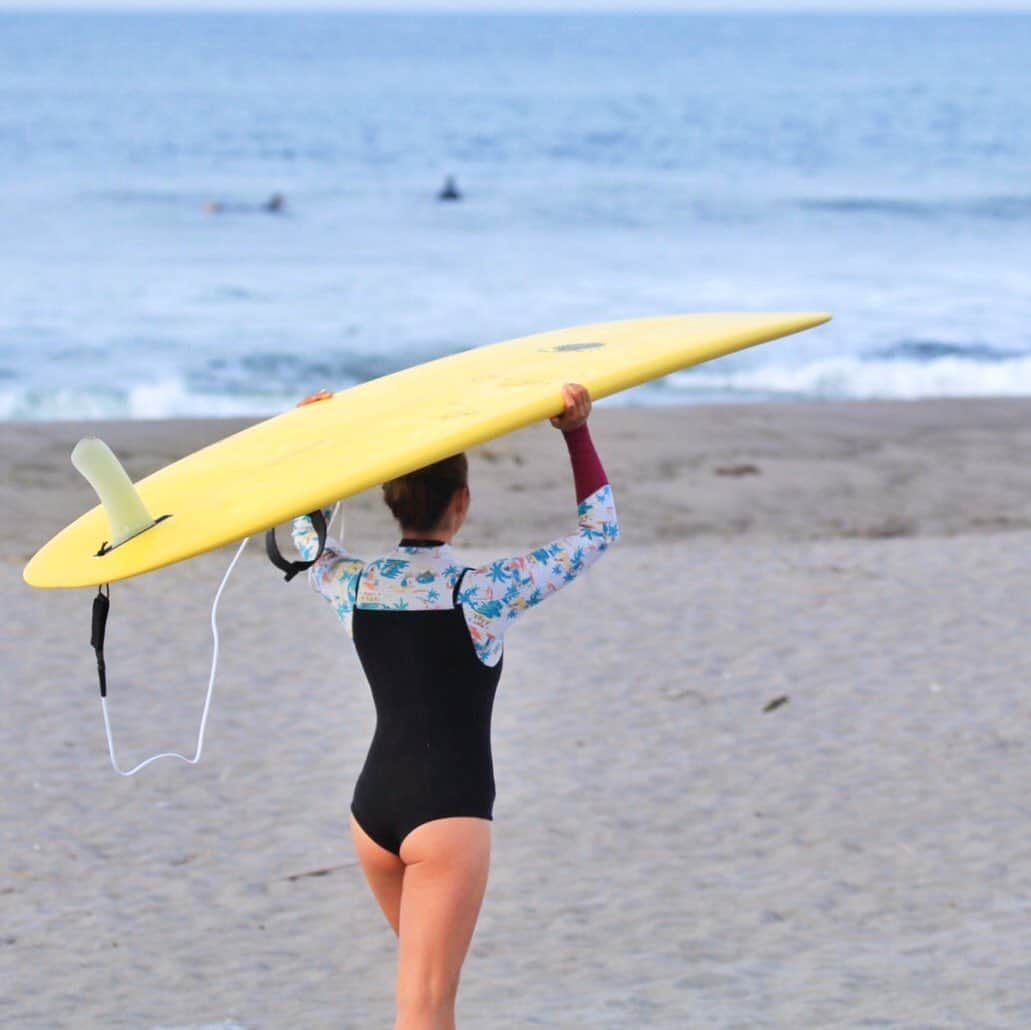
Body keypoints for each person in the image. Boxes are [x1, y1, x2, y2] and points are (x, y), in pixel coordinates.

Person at [291, 383, 619, 1029]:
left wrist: (314, 441)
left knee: (425, 1002)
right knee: (424, 1010)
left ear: (390, 500)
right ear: (461, 503)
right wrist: (574, 431)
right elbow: (598, 530)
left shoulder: (354, 585)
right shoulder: (484, 593)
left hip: (371, 811)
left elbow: (307, 539)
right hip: (447, 814)